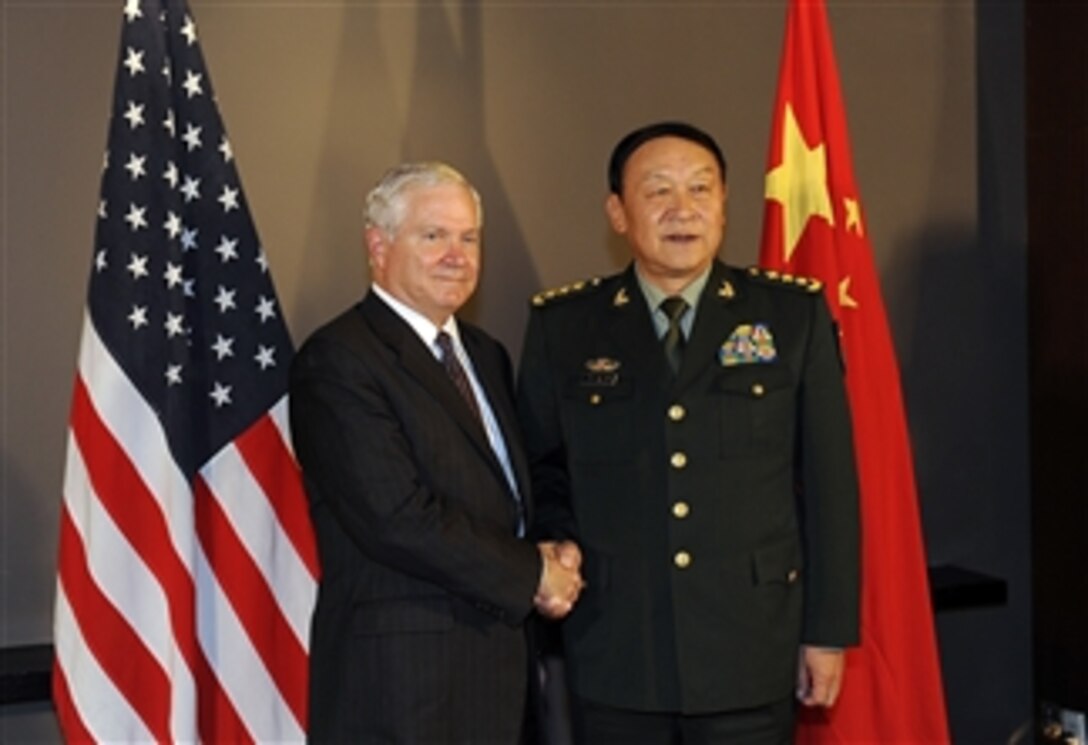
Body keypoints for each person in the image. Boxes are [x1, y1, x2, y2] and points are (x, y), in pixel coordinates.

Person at [517, 122, 861, 744]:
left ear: (726, 205)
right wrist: (556, 542)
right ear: (617, 213)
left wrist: (827, 631)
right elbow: (541, 469)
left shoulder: (789, 315)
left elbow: (831, 484)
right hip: (617, 647)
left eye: (701, 189)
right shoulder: (564, 327)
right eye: (659, 192)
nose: (684, 210)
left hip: (750, 645)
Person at [290, 161, 584, 743]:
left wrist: (553, 542)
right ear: (378, 246)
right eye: (434, 236)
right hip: (403, 690)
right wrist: (532, 573)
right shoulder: (339, 360)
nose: (457, 254)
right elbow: (394, 516)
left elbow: (505, 494)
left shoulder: (484, 353)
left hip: (499, 679)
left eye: (469, 237)